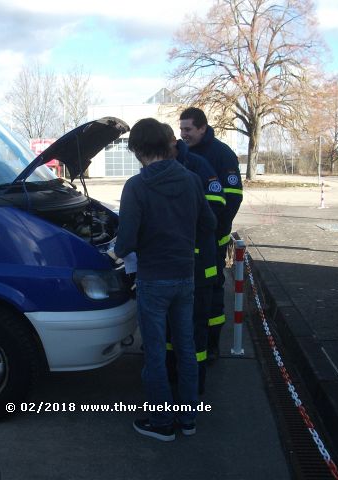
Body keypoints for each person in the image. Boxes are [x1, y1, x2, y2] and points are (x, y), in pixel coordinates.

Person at [114, 118, 216, 442]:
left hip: (154, 281)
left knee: (156, 353)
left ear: (139, 150)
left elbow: (125, 243)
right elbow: (209, 223)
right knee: (186, 348)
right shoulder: (190, 180)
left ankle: (160, 422)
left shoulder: (137, 186)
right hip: (185, 278)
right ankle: (188, 419)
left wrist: (117, 250)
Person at [179, 107, 243, 362]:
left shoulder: (222, 154)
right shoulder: (183, 154)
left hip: (212, 239)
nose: (182, 134)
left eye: (188, 129)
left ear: (203, 128)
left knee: (213, 290)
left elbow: (233, 198)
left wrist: (215, 231)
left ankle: (212, 341)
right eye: (181, 128)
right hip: (188, 241)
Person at [161, 123, 219, 394]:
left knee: (195, 331)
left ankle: (195, 389)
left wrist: (183, 231)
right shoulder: (158, 171)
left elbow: (215, 210)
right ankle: (174, 377)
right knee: (172, 330)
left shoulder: (197, 167)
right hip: (175, 267)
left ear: (171, 142)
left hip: (200, 268)